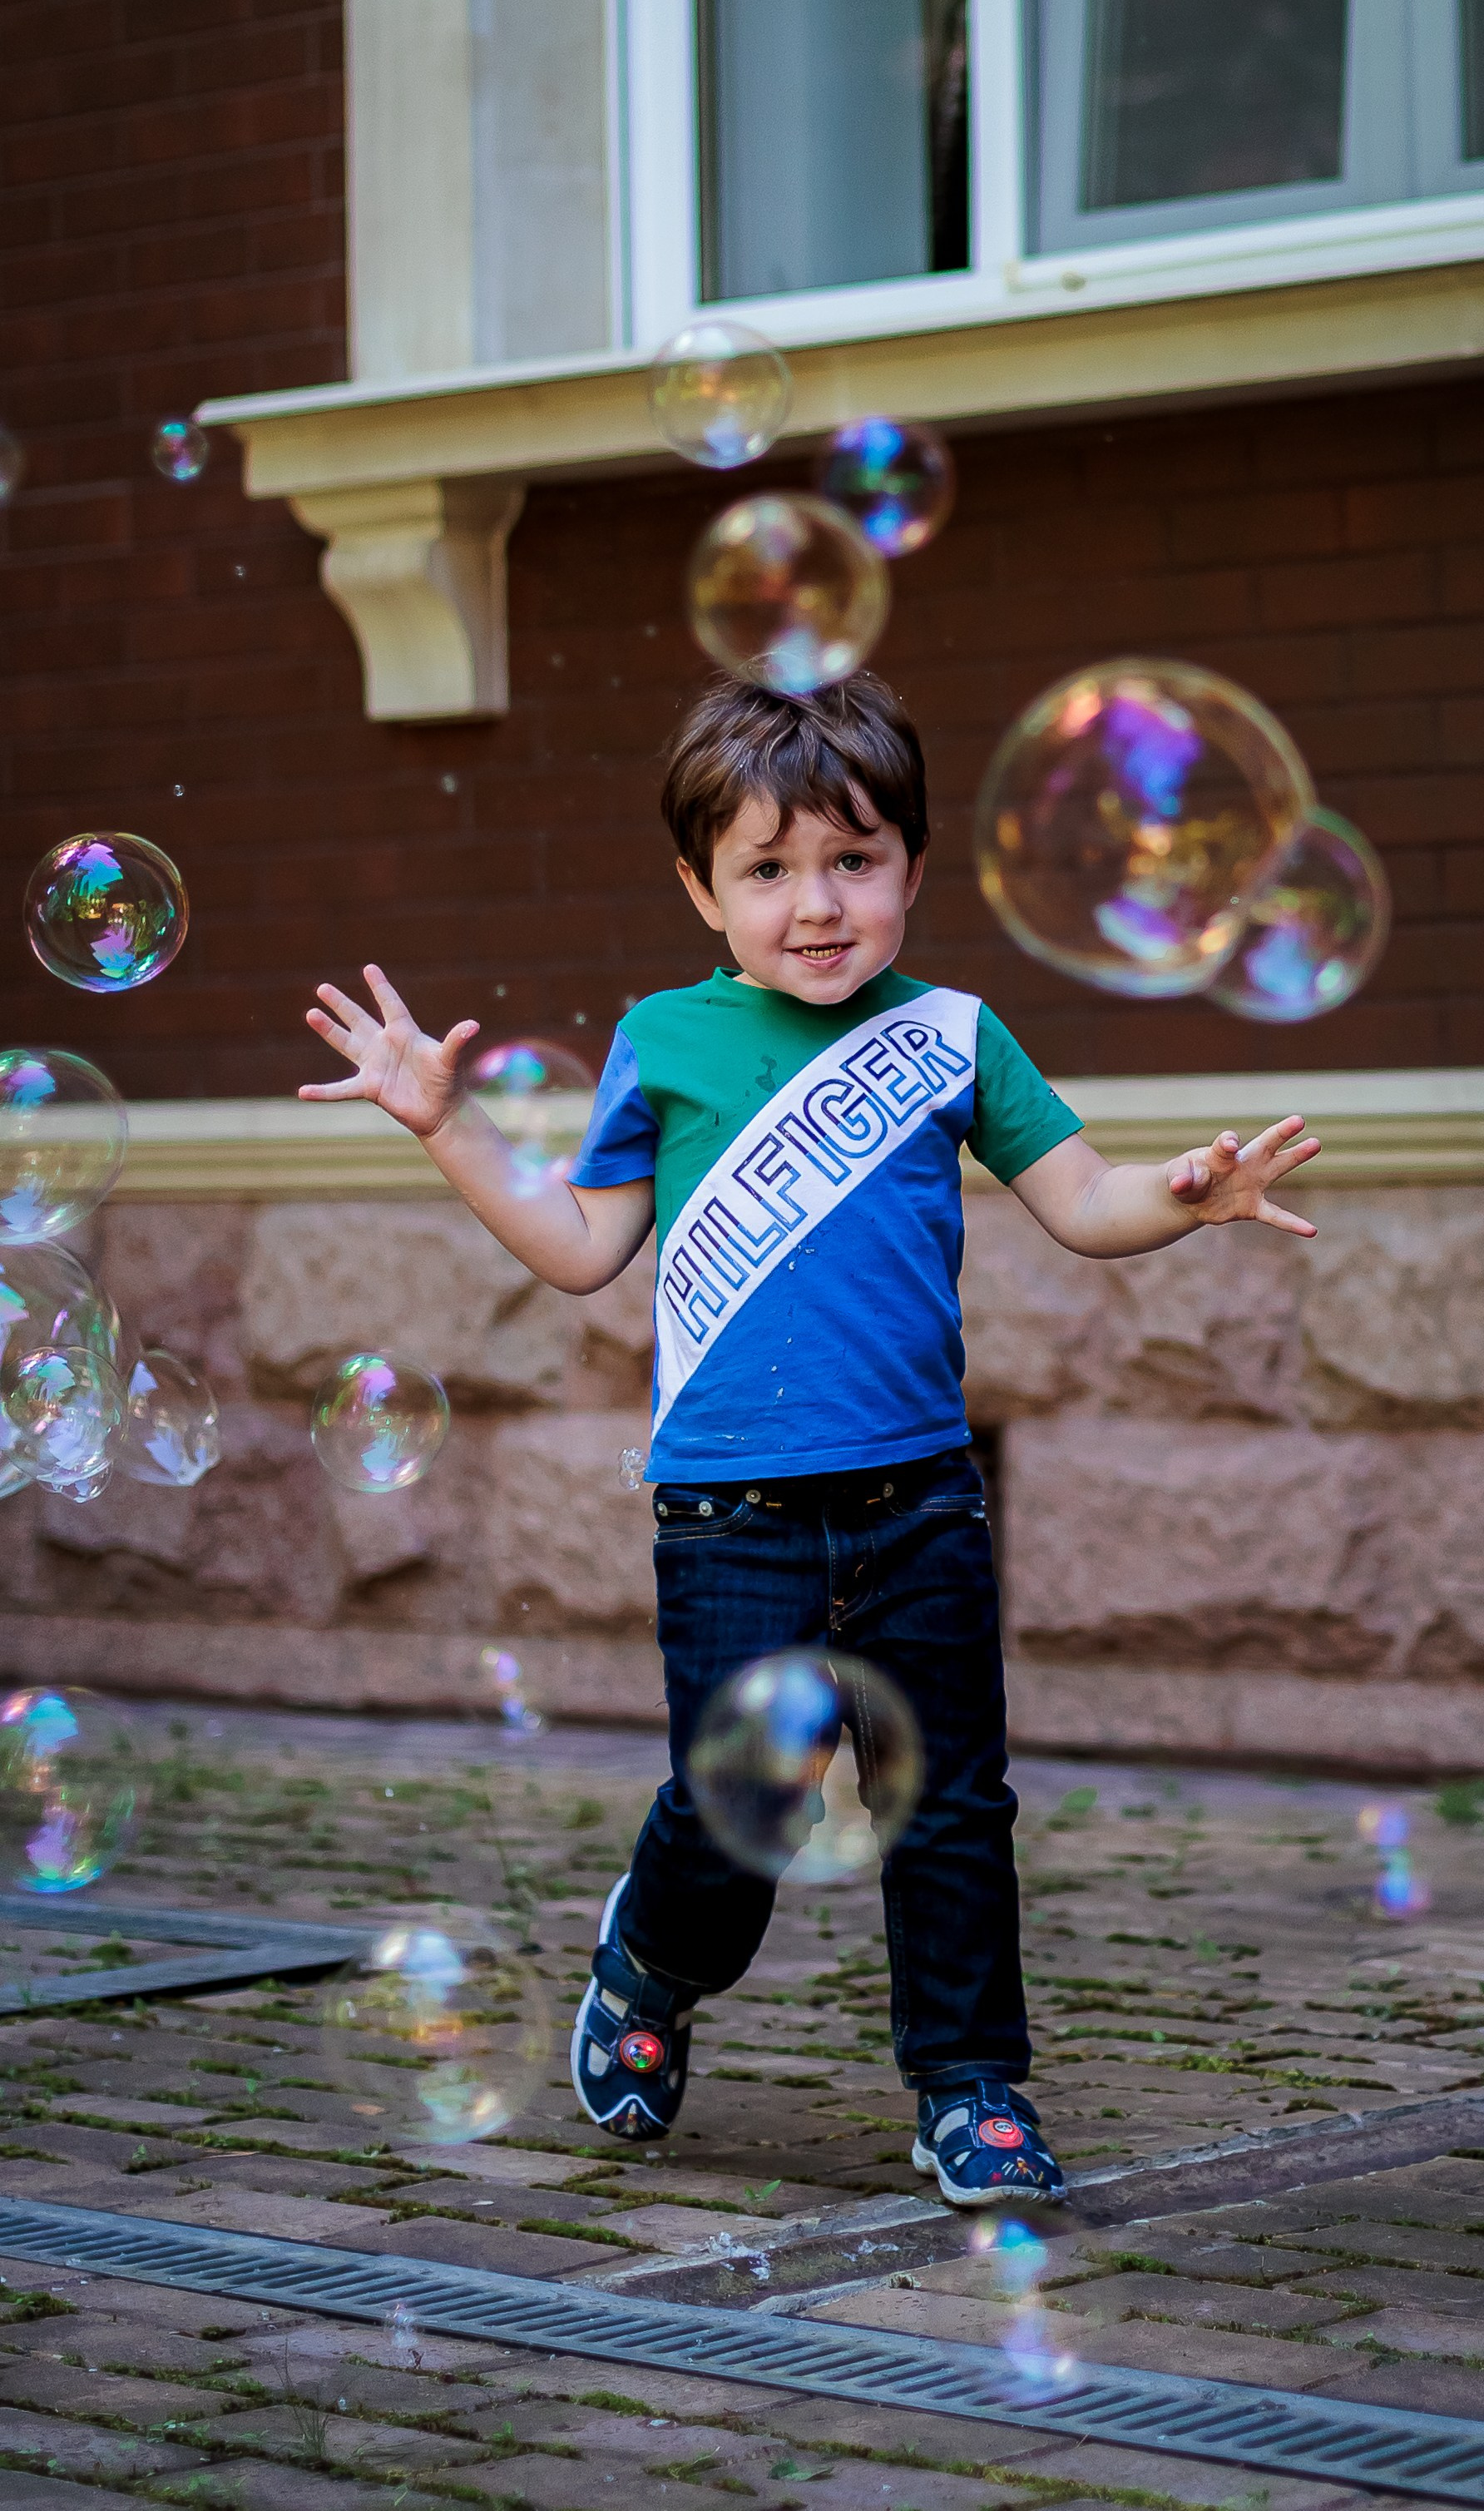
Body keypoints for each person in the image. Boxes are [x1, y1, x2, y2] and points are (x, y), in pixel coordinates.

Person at [299, 671, 1320, 2206]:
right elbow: (582, 1248)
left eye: (853, 861)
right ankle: (646, 1965)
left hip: (918, 1501)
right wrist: (450, 1124)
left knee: (954, 1802)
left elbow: (1085, 1204)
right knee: (742, 1810)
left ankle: (970, 2088)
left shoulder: (956, 1036)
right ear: (701, 891)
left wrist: (1183, 1196)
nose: (817, 905)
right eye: (768, 871)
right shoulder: (666, 1039)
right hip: (730, 1515)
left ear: (912, 866)